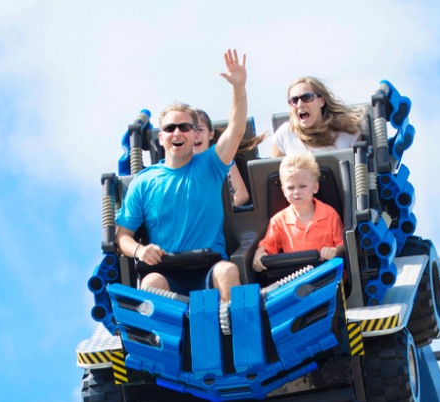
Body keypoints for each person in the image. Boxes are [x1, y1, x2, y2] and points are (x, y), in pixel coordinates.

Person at [115, 49, 248, 302]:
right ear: (161, 136)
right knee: (151, 283)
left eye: (185, 127)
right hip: (167, 271)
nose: (178, 132)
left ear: (195, 135)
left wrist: (238, 88)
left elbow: (236, 129)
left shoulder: (210, 164)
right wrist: (140, 251)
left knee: (228, 271)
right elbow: (123, 237)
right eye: (170, 128)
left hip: (209, 265)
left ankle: (235, 334)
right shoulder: (144, 181)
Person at [253, 152, 344, 272]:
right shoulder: (278, 221)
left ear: (315, 187)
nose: (296, 192)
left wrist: (334, 251)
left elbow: (342, 244)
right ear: (283, 191)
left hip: (328, 275)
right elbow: (267, 246)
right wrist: (258, 256)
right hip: (295, 279)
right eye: (291, 187)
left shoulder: (330, 214)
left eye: (302, 186)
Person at [270, 76, 362, 157]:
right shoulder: (284, 135)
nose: (300, 104)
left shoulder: (348, 133)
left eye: (306, 97)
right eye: (294, 100)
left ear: (321, 101)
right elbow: (272, 173)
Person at [193, 108, 263, 207]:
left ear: (210, 133)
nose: (196, 135)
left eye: (200, 129)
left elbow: (242, 194)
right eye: (191, 130)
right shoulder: (178, 165)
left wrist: (223, 209)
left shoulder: (223, 158)